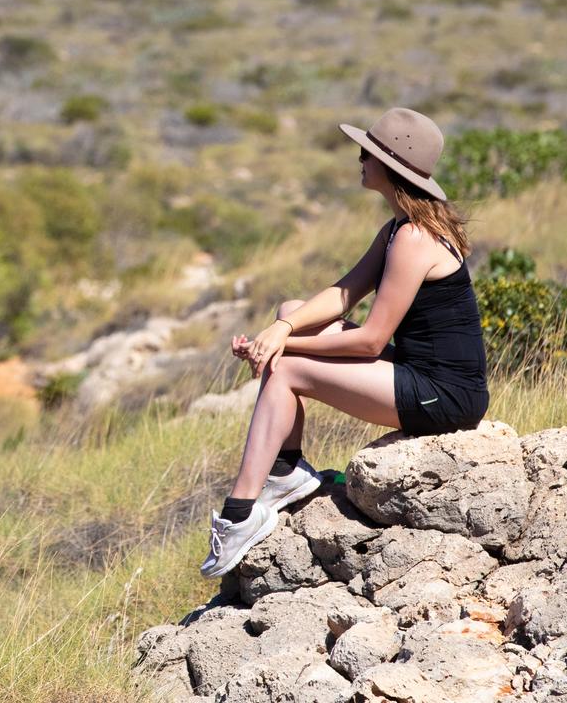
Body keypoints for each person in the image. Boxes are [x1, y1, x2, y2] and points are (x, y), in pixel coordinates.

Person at [198, 106, 489, 578]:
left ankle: (240, 513)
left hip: (447, 396)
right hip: (420, 375)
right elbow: (343, 295)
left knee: (288, 368)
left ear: (391, 167)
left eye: (367, 152)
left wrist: (283, 349)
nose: (359, 158)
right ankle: (286, 470)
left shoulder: (416, 238)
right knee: (292, 310)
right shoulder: (397, 229)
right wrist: (282, 331)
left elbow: (371, 341)